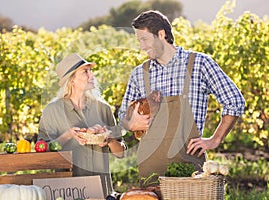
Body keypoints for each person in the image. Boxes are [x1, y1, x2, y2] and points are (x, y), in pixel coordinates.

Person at [118, 10, 245, 178]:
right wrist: (131, 124)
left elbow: (235, 101)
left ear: (161, 34)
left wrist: (215, 139)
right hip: (150, 171)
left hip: (189, 169)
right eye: (139, 41)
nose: (141, 46)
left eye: (144, 39)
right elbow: (122, 117)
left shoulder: (199, 64)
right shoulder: (139, 74)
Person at [38, 53, 126, 197]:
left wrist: (109, 139)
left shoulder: (103, 109)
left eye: (91, 70)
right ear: (71, 79)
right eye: (85, 71)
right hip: (67, 191)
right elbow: (42, 153)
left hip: (100, 191)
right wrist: (68, 135)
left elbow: (121, 153)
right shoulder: (52, 111)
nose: (92, 75)